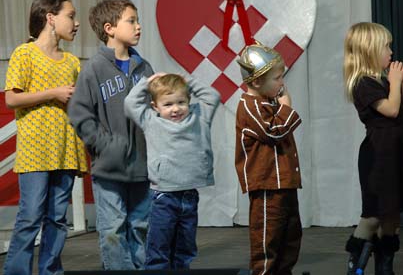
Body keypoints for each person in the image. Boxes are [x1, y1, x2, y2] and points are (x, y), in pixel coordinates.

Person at [2, 0, 88, 275]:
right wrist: (53, 93)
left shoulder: (73, 62)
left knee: (57, 219)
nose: (75, 23)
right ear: (51, 17)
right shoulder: (24, 54)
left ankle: (51, 271)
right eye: (71, 16)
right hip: (37, 151)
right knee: (30, 217)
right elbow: (12, 99)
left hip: (65, 148)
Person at [67, 0, 154, 270]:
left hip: (142, 167)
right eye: (131, 20)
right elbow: (80, 114)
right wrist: (107, 146)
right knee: (113, 229)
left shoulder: (144, 68)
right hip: (109, 168)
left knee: (140, 226)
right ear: (110, 28)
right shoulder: (93, 68)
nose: (138, 26)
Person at [343, 22, 403, 275]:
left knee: (391, 214)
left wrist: (401, 82)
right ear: (370, 51)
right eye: (386, 46)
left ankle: (385, 267)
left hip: (397, 152)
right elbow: (391, 109)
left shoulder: (385, 80)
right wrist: (395, 82)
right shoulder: (363, 83)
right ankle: (355, 259)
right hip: (378, 155)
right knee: (374, 213)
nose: (391, 51)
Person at [124, 72, 220, 270]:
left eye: (181, 102)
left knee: (185, 249)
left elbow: (213, 96)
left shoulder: (199, 115)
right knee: (159, 247)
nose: (175, 109)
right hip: (163, 196)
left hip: (190, 195)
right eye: (167, 104)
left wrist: (185, 79)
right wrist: (148, 82)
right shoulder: (150, 120)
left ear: (188, 101)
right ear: (155, 107)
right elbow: (130, 103)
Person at [234, 41, 303, 275]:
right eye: (277, 78)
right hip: (267, 186)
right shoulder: (249, 106)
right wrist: (286, 108)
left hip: (284, 183)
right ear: (256, 82)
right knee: (267, 240)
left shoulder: (267, 102)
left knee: (290, 237)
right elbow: (273, 132)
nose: (282, 83)